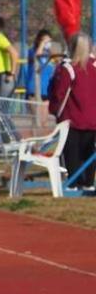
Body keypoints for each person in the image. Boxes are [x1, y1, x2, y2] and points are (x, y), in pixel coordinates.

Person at [48, 33, 96, 188]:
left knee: (72, 152)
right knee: (89, 151)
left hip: (73, 119)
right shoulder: (94, 66)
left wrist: (55, 110)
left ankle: (75, 182)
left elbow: (59, 93)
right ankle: (88, 182)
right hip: (92, 118)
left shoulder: (68, 68)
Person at [26, 28, 57, 101]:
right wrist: (42, 44)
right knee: (35, 112)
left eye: (49, 41)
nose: (47, 43)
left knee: (45, 112)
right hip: (34, 90)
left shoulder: (49, 54)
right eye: (44, 40)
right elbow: (37, 56)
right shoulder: (32, 51)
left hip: (46, 91)